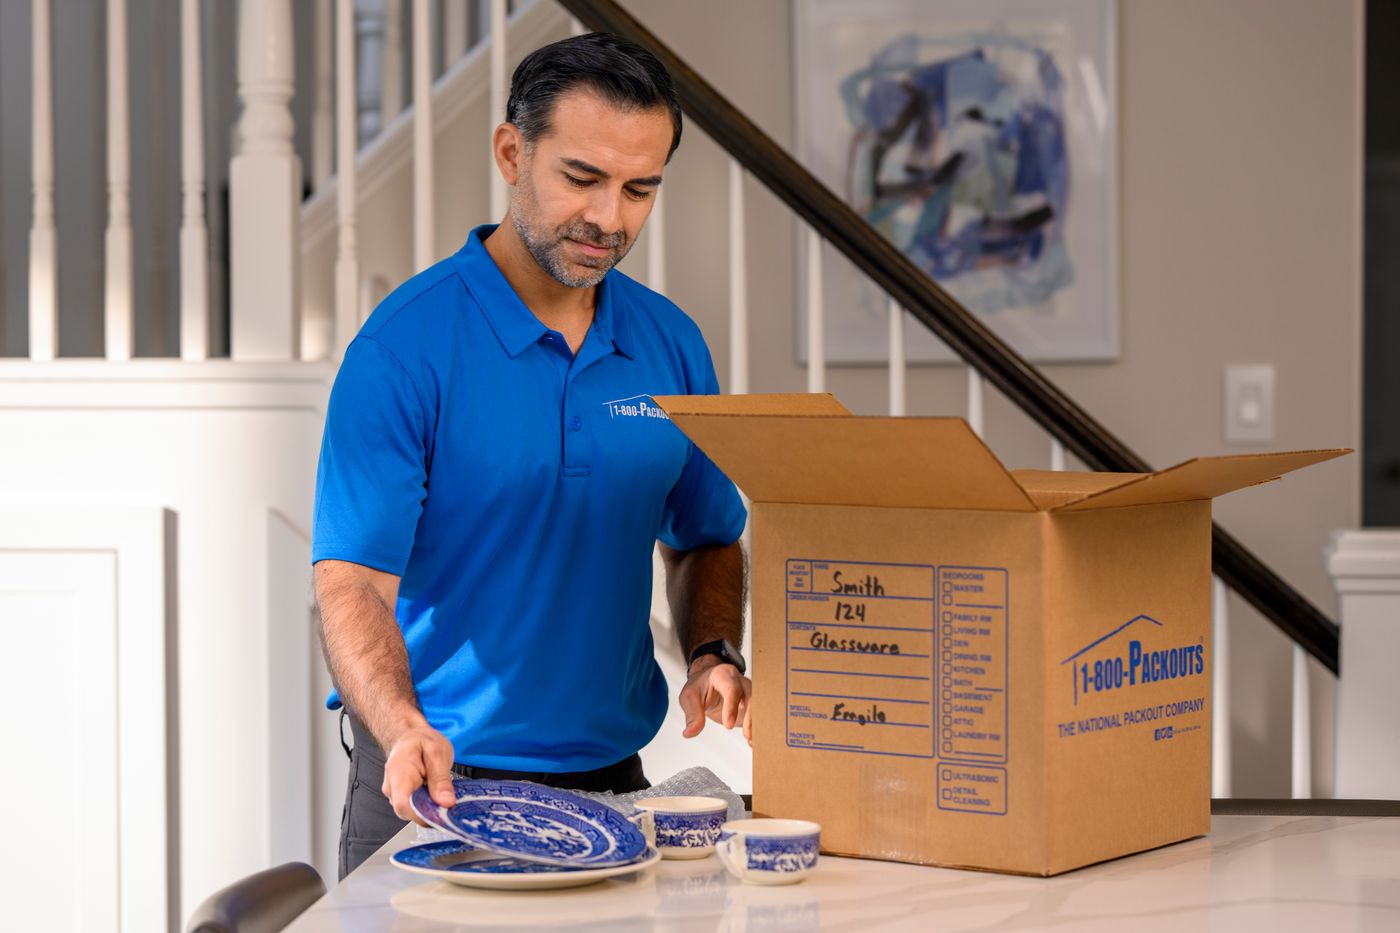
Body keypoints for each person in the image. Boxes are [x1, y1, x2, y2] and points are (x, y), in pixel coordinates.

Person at [311, 32, 752, 879]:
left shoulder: (672, 345)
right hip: (431, 786)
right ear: (512, 152)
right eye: (580, 178)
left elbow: (705, 534)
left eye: (639, 189)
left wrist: (711, 652)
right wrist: (402, 725)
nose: (609, 218)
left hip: (614, 792)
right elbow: (353, 579)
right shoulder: (404, 348)